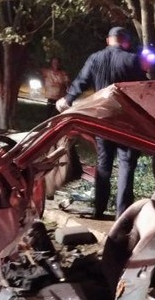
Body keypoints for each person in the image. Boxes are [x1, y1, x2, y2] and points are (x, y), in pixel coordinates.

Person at [56, 27, 149, 219]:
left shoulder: (95, 58)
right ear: (126, 41)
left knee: (103, 165)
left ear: (108, 40)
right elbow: (144, 89)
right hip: (127, 123)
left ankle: (99, 209)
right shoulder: (132, 60)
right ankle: (122, 214)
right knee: (126, 166)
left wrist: (68, 100)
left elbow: (81, 81)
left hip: (103, 121)